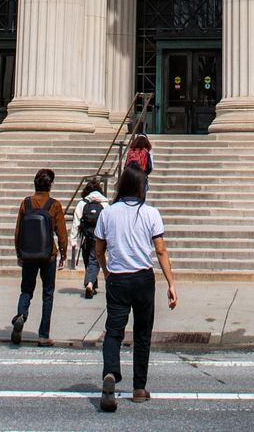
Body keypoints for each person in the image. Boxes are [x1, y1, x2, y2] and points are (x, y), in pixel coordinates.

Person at [93, 165, 177, 411]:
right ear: (142, 188)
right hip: (142, 279)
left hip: (118, 278)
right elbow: (160, 250)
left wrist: (106, 271)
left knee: (113, 332)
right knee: (142, 333)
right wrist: (171, 283)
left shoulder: (108, 213)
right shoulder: (150, 213)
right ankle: (139, 387)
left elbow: (98, 249)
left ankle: (110, 372)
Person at [11, 166, 68, 345]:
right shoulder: (54, 205)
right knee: (47, 294)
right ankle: (43, 334)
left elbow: (18, 231)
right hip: (48, 254)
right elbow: (62, 232)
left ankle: (21, 315)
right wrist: (64, 253)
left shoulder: (26, 203)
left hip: (28, 254)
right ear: (50, 185)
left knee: (26, 289)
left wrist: (19, 252)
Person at [76, 178, 108, 299]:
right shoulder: (105, 204)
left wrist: (73, 239)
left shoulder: (82, 203)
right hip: (99, 237)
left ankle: (90, 284)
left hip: (86, 236)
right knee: (94, 260)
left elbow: (76, 221)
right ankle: (90, 284)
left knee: (87, 260)